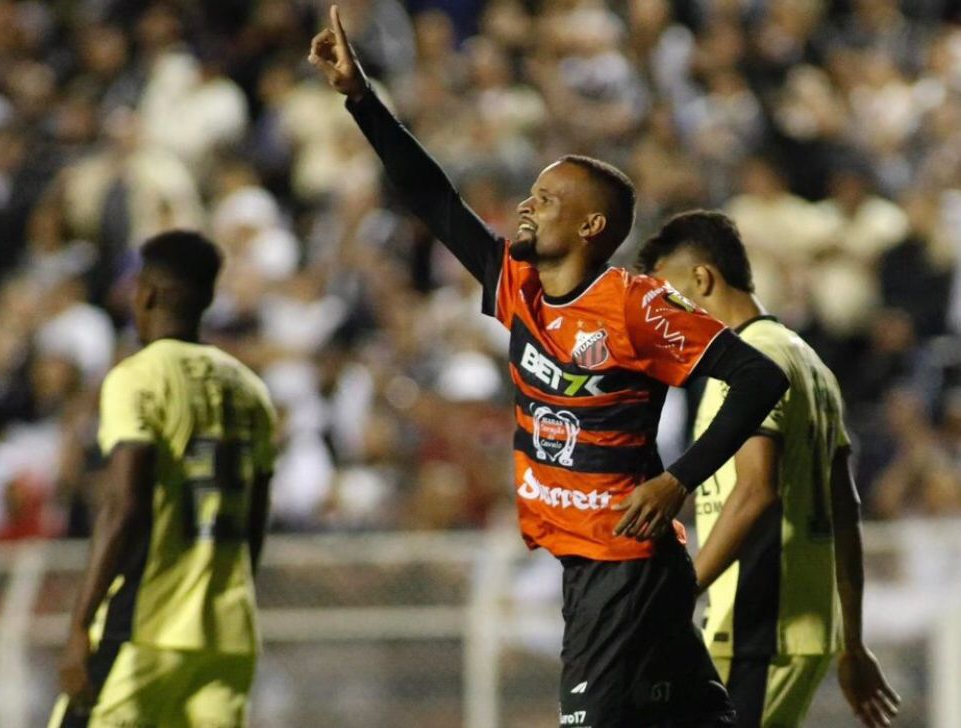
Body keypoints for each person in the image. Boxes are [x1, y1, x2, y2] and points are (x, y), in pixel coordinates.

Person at [310, 7, 789, 726]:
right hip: (598, 567)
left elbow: (759, 378)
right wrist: (359, 97)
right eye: (530, 194)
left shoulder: (634, 307)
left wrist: (674, 478)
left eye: (545, 199)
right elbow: (432, 199)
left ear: (590, 227)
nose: (525, 207)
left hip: (620, 569)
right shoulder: (517, 288)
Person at [635, 210, 901, 728]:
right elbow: (845, 509)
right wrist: (851, 640)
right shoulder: (810, 363)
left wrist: (675, 598)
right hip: (792, 628)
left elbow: (756, 491)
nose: (658, 316)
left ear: (702, 280)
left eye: (664, 297)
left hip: (758, 625)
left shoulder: (753, 360)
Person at [47, 230, 276, 728]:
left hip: (148, 629)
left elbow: (125, 507)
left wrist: (80, 624)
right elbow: (254, 527)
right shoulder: (250, 389)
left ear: (147, 293)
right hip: (227, 638)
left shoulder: (139, 375)